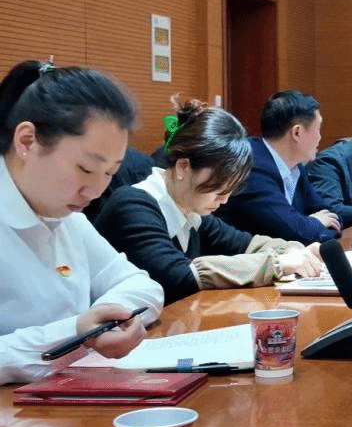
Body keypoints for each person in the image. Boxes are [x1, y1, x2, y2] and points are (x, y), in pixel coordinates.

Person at [0, 60, 163, 384]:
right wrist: (77, 333)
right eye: (86, 169)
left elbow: (142, 285)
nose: (96, 191)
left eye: (110, 172)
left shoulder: (68, 217)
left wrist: (108, 320)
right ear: (27, 141)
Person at [95, 98, 325, 304]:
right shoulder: (134, 206)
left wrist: (297, 251)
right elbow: (181, 276)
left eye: (230, 189)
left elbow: (244, 243)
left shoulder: (189, 209)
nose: (224, 199)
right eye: (218, 187)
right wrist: (279, 264)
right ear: (183, 166)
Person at [214, 91, 342, 244]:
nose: (320, 137)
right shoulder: (252, 166)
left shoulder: (295, 166)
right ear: (297, 132)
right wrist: (316, 222)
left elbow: (333, 218)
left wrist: (308, 224)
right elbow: (292, 233)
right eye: (318, 128)